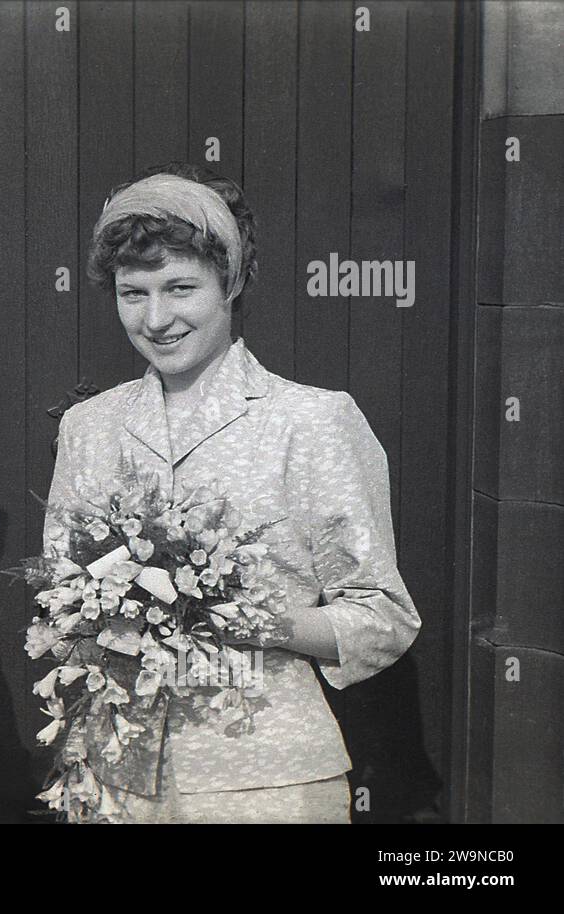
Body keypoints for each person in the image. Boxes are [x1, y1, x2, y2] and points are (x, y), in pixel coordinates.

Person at [44, 163, 421, 823]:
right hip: (114, 777)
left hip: (269, 785)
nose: (156, 318)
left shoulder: (310, 421)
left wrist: (262, 622)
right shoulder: (89, 427)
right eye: (134, 293)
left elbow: (384, 619)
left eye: (181, 287)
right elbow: (63, 599)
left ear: (234, 282)